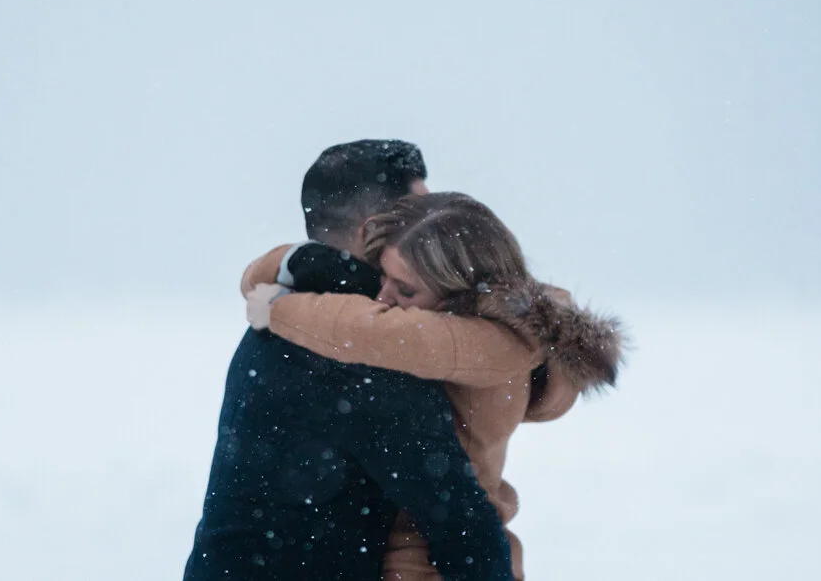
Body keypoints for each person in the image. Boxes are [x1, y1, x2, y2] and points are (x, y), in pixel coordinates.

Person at [241, 192, 625, 581]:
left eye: (405, 290)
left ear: (462, 292)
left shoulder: (490, 343)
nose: (382, 298)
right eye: (383, 277)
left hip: (432, 562)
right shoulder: (473, 319)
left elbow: (374, 331)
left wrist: (277, 308)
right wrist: (294, 262)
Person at [184, 141, 517, 581]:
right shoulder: (365, 354)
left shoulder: (280, 321)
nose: (436, 223)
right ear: (373, 231)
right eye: (420, 216)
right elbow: (463, 530)